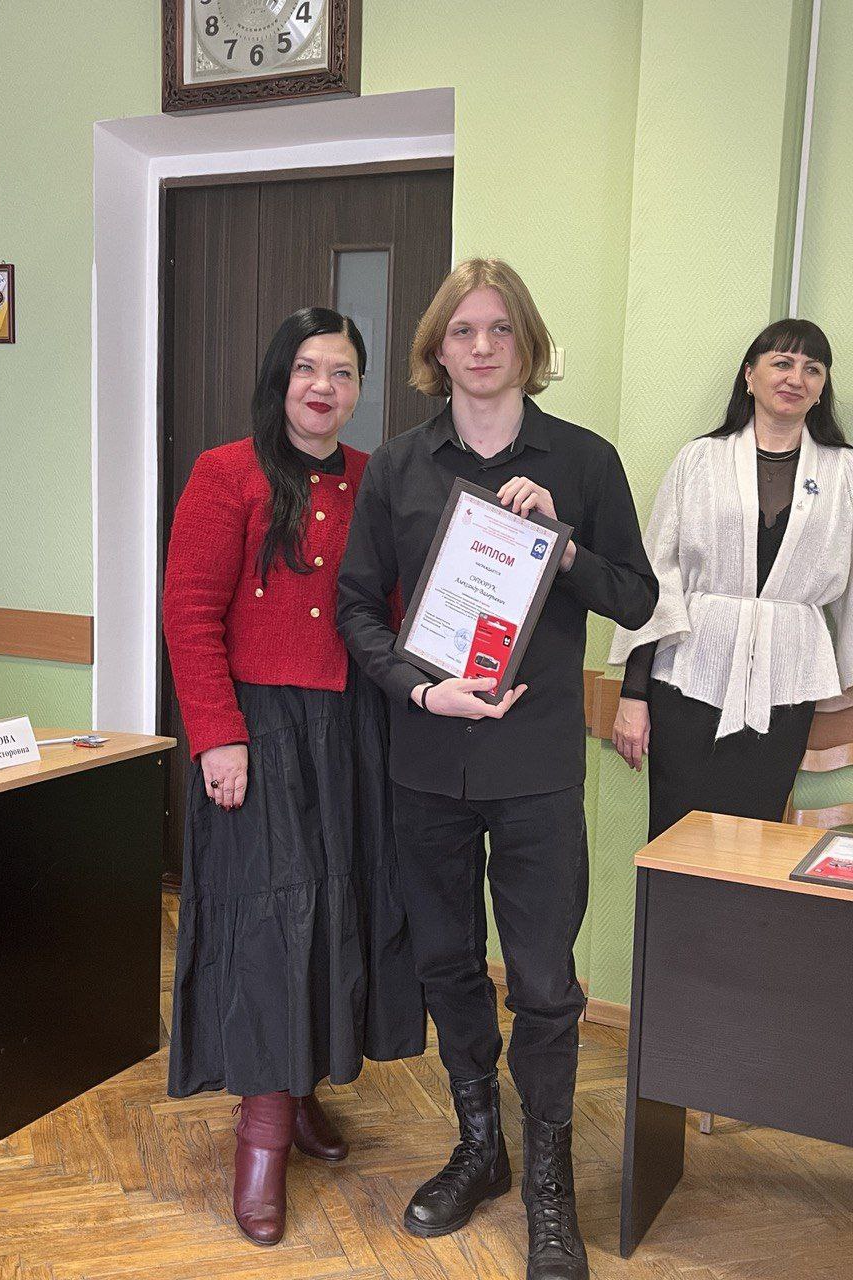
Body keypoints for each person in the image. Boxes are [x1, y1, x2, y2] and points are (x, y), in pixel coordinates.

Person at [337, 260, 657, 1280]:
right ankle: (482, 1146)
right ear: (437, 350)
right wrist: (419, 690)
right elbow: (356, 607)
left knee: (548, 983)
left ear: (528, 343)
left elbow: (638, 598)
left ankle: (551, 1186)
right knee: (445, 963)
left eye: (500, 329)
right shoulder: (398, 467)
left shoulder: (585, 460)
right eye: (463, 331)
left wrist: (561, 548)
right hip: (427, 759)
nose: (481, 347)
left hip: (536, 767)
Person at [162, 308, 425, 1247]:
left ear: (359, 389)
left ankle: (302, 1083)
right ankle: (263, 1133)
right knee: (269, 923)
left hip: (352, 726)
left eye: (343, 372)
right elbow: (189, 613)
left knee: (334, 910)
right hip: (256, 729)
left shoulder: (374, 476)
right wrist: (216, 737)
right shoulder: (224, 472)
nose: (324, 387)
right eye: (309, 369)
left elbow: (399, 603)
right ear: (281, 380)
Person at [609, 319, 853, 839]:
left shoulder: (844, 473)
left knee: (756, 839)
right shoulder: (700, 459)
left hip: (787, 679)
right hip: (689, 675)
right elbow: (657, 573)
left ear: (822, 388)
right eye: (782, 363)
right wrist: (633, 693)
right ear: (749, 375)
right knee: (676, 837)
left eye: (812, 369)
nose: (796, 378)